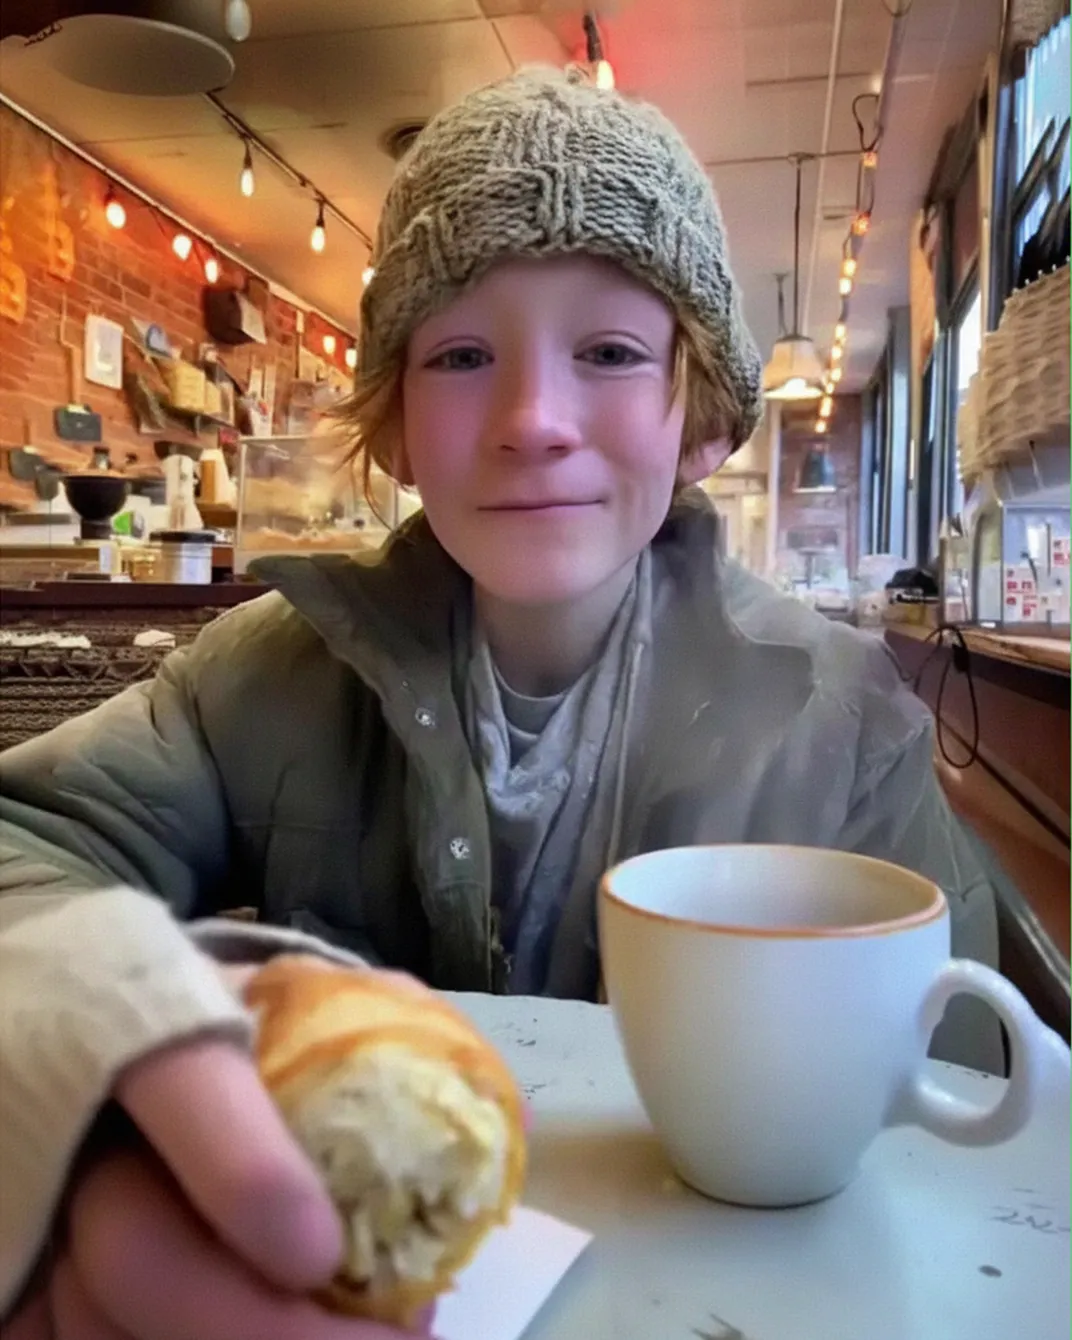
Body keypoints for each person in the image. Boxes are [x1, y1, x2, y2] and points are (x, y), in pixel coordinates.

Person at [0, 65, 1010, 1338]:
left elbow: (981, 1080)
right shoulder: (262, 672)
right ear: (399, 426)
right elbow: (26, 847)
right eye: (464, 353)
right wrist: (92, 1023)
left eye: (609, 351)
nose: (534, 420)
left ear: (697, 419)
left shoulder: (843, 720)